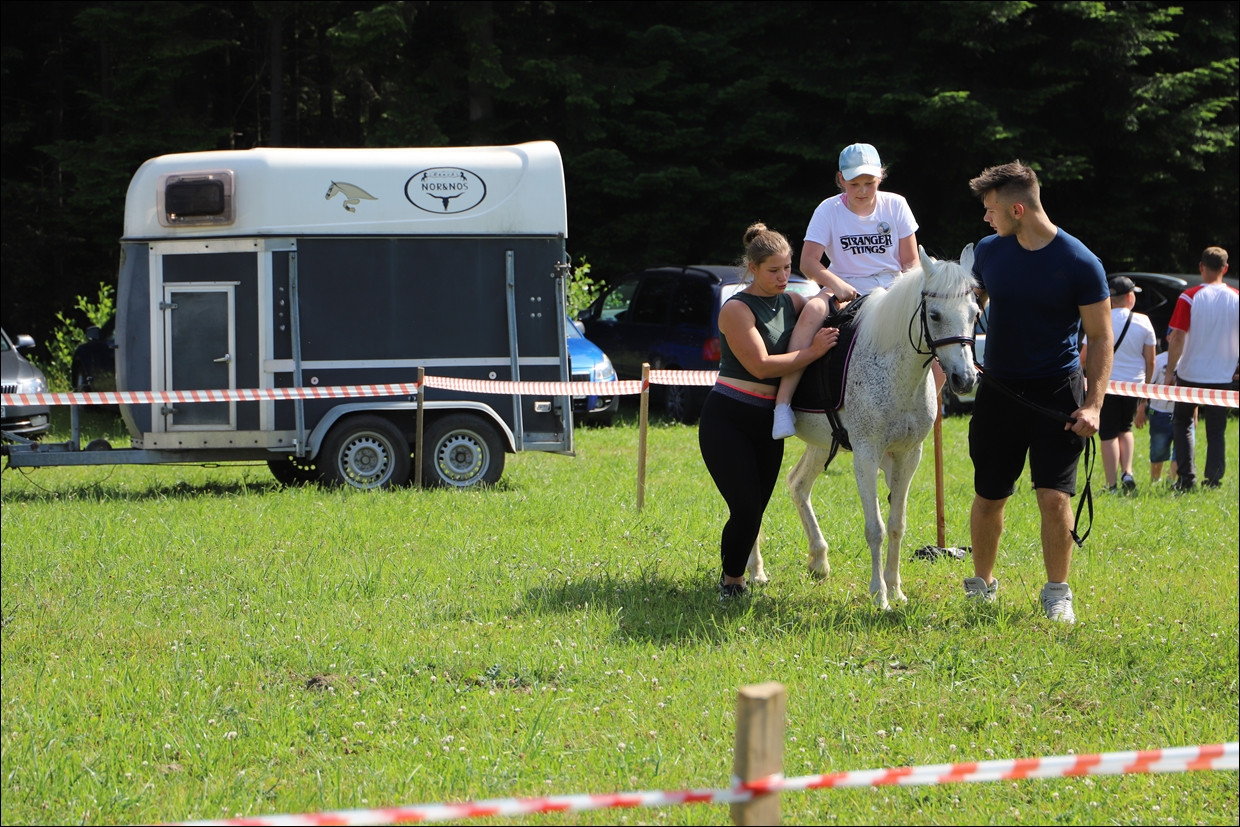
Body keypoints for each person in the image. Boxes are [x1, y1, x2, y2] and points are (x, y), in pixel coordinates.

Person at [963, 161, 1112, 624]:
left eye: (991, 209)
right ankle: (982, 585)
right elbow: (968, 307)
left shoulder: (1080, 262)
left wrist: (1093, 405)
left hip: (1057, 392)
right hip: (999, 390)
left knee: (1054, 497)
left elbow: (1100, 338)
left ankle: (1057, 593)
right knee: (990, 495)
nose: (986, 217)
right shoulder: (988, 251)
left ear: (1018, 210)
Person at [699, 223, 839, 598]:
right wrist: (813, 351)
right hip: (728, 418)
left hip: (767, 422)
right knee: (745, 508)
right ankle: (733, 582)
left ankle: (735, 576)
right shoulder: (736, 309)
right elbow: (761, 366)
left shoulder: (792, 302)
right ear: (753, 268)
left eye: (787, 268)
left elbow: (825, 305)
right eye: (773, 270)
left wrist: (837, 287)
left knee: (756, 508)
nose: (782, 277)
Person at [771, 142, 921, 439]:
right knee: (813, 309)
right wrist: (837, 284)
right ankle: (783, 404)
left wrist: (904, 293)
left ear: (881, 176)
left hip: (892, 289)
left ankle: (924, 406)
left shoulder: (896, 204)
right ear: (841, 179)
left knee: (934, 330)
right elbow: (808, 262)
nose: (863, 191)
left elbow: (911, 262)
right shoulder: (828, 209)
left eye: (870, 182)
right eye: (854, 184)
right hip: (843, 286)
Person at [1164, 246, 1238, 491]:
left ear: (1201, 267)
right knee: (1216, 430)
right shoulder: (1236, 298)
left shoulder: (1189, 297)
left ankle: (1186, 478)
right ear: (1225, 269)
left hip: (1190, 372)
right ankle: (1214, 479)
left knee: (1183, 423)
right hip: (1222, 375)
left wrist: (1169, 372)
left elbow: (1177, 337)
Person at [1080, 276, 1155, 494]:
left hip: (1106, 385)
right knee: (1126, 427)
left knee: (1108, 433)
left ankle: (1111, 484)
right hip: (1134, 385)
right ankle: (1127, 472)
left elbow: (1084, 357)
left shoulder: (1100, 319)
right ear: (1130, 297)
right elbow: (1150, 360)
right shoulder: (1143, 321)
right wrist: (1146, 389)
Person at [1135, 345, 1188, 484]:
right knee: (1158, 450)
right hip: (1159, 413)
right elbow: (1147, 386)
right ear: (1169, 339)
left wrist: (1194, 413)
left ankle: (1172, 482)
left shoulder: (1189, 360)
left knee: (1181, 451)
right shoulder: (1159, 360)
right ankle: (1155, 481)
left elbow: (1192, 390)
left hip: (1182, 412)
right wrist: (1141, 408)